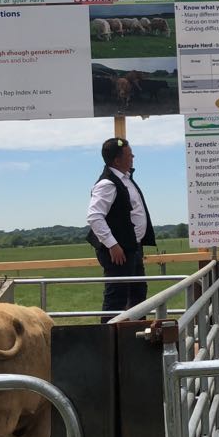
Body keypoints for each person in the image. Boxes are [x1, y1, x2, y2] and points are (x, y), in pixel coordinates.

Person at [86, 137, 156, 321]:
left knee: (137, 296)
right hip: (119, 252)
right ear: (117, 160)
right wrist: (112, 245)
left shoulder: (123, 179)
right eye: (128, 154)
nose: (133, 156)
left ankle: (134, 341)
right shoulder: (107, 184)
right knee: (116, 300)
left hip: (131, 248)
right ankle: (109, 344)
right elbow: (94, 216)